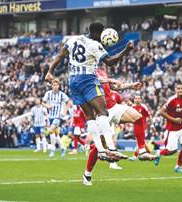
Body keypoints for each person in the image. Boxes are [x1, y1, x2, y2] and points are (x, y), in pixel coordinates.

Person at [45, 22, 134, 186]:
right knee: (103, 112)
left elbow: (59, 56)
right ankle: (111, 150)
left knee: (90, 116)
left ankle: (100, 150)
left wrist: (49, 72)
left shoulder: (74, 40)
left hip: (73, 81)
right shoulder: (95, 45)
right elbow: (111, 62)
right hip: (88, 80)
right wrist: (126, 50)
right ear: (100, 32)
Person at [154, 82, 182, 174]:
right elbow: (161, 112)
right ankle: (159, 153)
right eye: (178, 88)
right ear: (176, 90)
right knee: (172, 151)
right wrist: (174, 119)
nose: (180, 90)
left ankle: (178, 166)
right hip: (171, 129)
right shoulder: (172, 100)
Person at [42, 79, 70, 157]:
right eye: (54, 85)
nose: (55, 87)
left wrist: (65, 111)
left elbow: (69, 102)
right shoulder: (48, 94)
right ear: (51, 86)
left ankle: (53, 150)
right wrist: (47, 106)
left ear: (59, 86)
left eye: (56, 85)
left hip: (58, 116)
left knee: (50, 131)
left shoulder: (61, 94)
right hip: (51, 116)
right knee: (55, 135)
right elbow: (42, 102)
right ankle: (63, 148)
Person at [129, 95, 153, 161]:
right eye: (136, 98)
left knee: (140, 142)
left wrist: (152, 125)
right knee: (142, 143)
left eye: (139, 98)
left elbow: (149, 115)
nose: (137, 99)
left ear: (141, 100)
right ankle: (150, 156)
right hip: (135, 127)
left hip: (143, 127)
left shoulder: (143, 107)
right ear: (134, 100)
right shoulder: (132, 107)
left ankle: (135, 156)